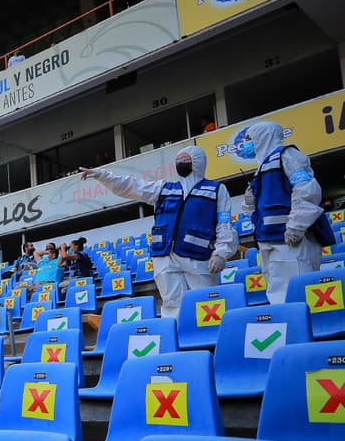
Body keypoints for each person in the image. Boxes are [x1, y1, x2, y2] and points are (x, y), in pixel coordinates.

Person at [82, 145, 238, 317]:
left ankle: (211, 333)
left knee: (207, 303)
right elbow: (130, 186)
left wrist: (221, 253)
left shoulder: (216, 190)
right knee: (172, 305)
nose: (180, 163)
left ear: (198, 162)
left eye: (185, 160)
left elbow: (224, 224)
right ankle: (176, 333)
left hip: (198, 256)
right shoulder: (164, 189)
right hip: (165, 257)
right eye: (178, 160)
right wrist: (103, 176)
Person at [239, 120, 332, 304]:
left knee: (297, 294)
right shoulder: (261, 169)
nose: (246, 144)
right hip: (268, 239)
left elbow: (306, 190)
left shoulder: (287, 156)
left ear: (263, 137)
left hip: (291, 240)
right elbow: (255, 211)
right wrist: (250, 200)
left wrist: (296, 226)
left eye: (250, 138)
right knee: (277, 294)